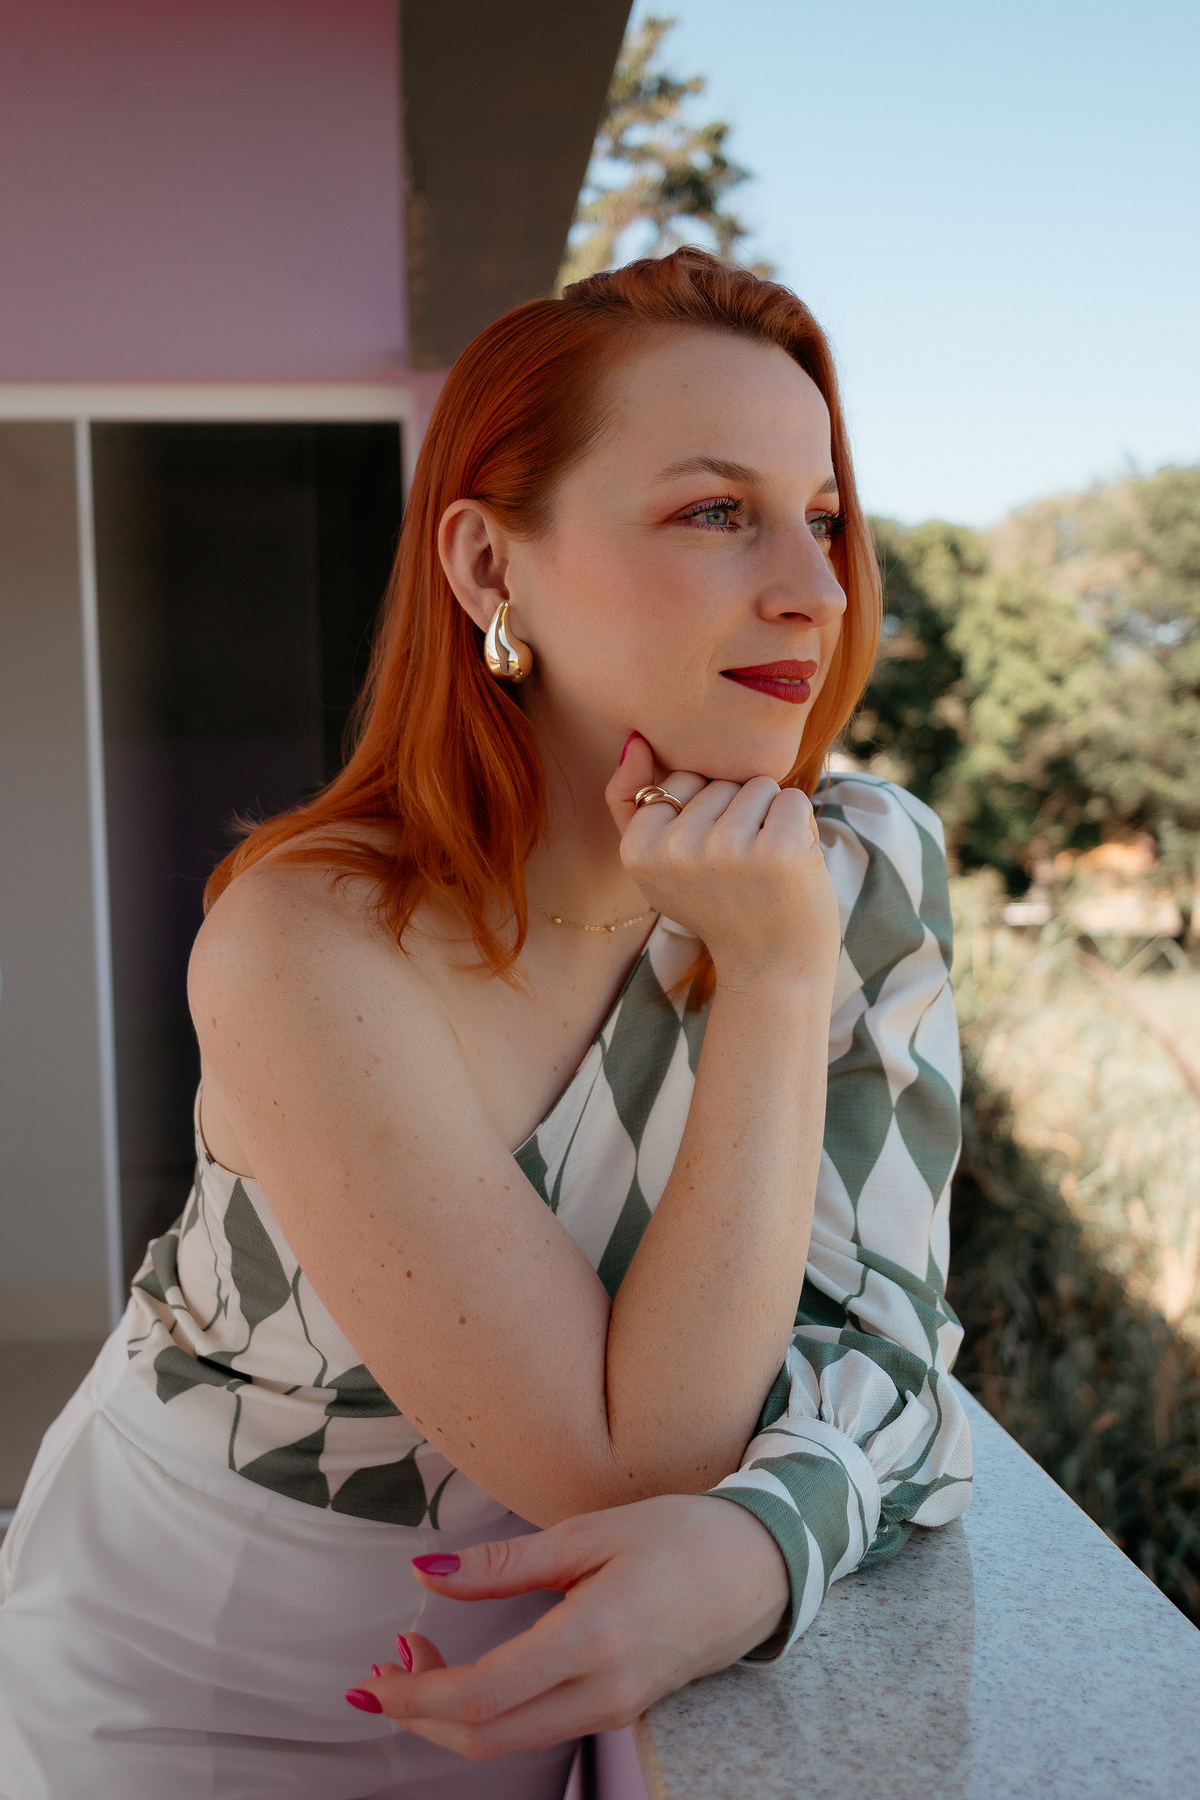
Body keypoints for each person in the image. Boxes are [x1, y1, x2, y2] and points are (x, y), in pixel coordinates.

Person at [0, 249, 971, 1799]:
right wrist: (778, 984)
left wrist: (765, 1544)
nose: (815, 586)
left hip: (549, 1678)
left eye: (825, 516)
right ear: (488, 567)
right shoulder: (308, 937)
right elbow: (627, 1466)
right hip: (189, 1676)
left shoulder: (854, 867)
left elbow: (888, 1345)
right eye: (714, 511)